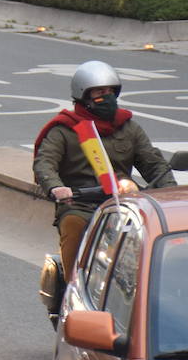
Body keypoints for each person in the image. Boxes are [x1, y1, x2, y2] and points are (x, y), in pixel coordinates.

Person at [32, 60, 175, 279]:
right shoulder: (65, 129)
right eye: (99, 92)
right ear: (84, 95)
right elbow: (45, 163)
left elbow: (153, 163)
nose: (106, 96)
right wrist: (57, 188)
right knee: (72, 225)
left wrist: (171, 193)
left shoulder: (128, 127)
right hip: (81, 203)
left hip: (125, 202)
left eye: (110, 91)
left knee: (157, 231)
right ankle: (73, 289)